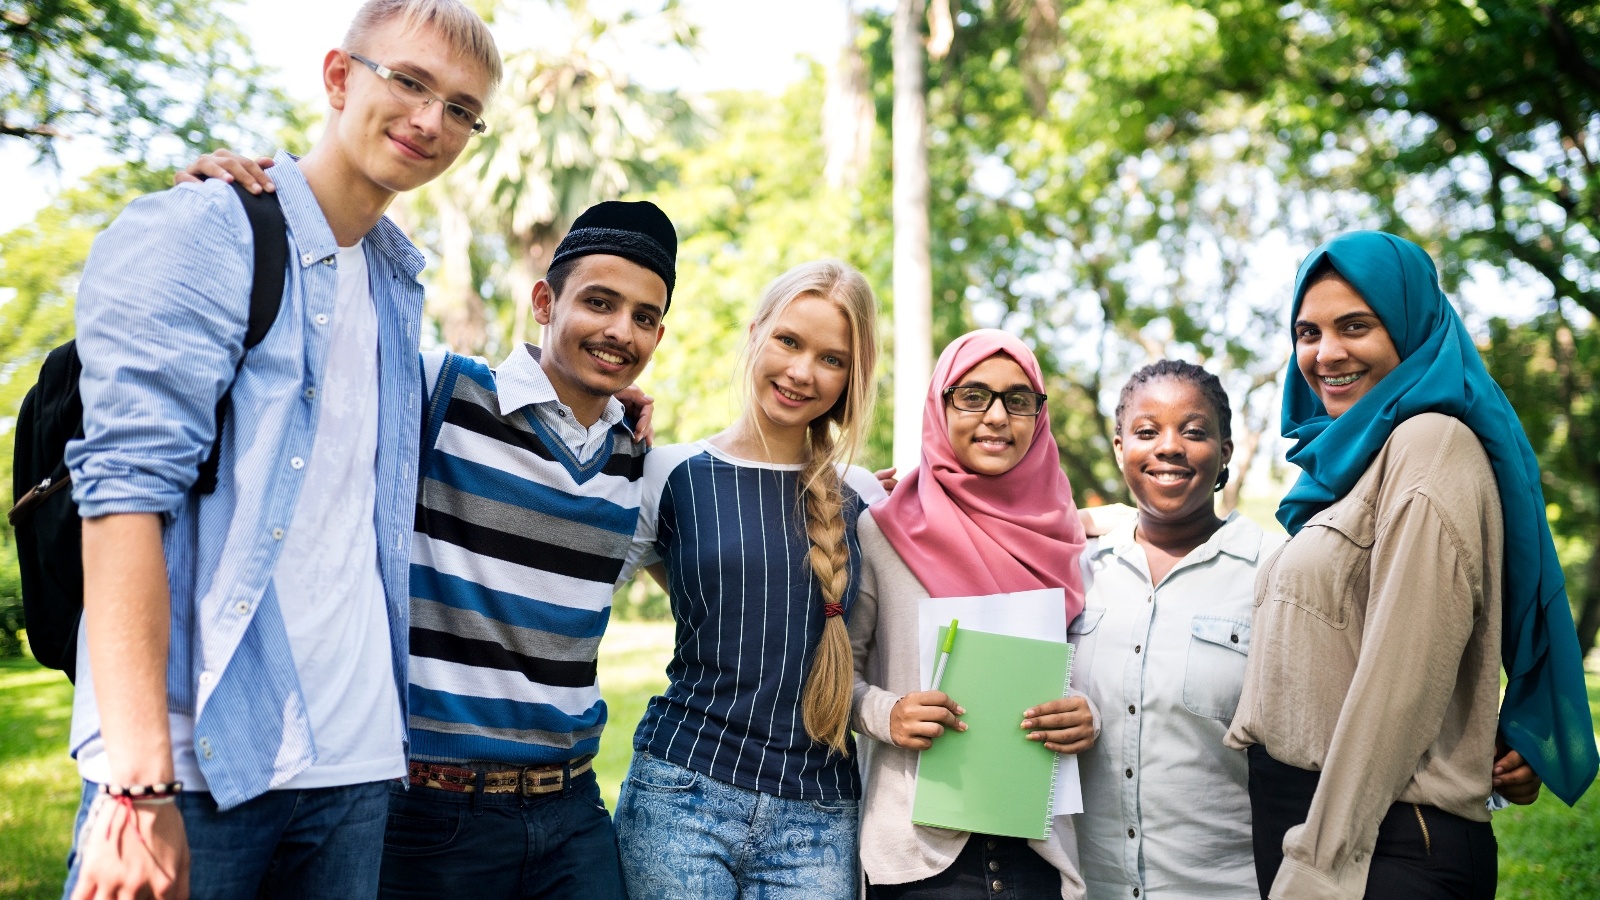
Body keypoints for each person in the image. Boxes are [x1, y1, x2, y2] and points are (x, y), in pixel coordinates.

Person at [62, 2, 502, 899]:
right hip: (195, 761)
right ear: (340, 78)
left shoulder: (394, 281)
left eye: (461, 107)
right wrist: (137, 781)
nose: (431, 121)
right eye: (409, 81)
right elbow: (119, 499)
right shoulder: (209, 229)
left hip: (354, 763)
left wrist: (604, 390)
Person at [1224, 231, 1599, 899]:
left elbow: (1401, 680)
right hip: (1325, 823)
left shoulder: (1430, 443)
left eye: (1356, 326)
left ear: (1411, 327)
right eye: (1307, 332)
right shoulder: (1359, 462)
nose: (1325, 353)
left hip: (1376, 843)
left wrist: (1320, 864)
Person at [613, 259, 884, 899]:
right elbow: (571, 569)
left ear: (852, 378)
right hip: (682, 796)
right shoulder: (669, 474)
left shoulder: (866, 500)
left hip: (819, 816)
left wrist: (1098, 524)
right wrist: (594, 414)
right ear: (757, 333)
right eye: (788, 341)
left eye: (831, 359)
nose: (800, 371)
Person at [848, 328, 1091, 899]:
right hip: (921, 853)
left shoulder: (1070, 538)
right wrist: (890, 713)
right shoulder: (884, 530)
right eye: (973, 395)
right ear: (940, 403)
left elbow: (1092, 672)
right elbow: (838, 674)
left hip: (1038, 848)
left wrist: (1087, 716)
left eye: (1018, 398)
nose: (997, 416)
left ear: (1039, 415)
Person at [1071, 360, 1273, 899]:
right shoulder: (1079, 570)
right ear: (1119, 448)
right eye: (1146, 432)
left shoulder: (1273, 571)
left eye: (1194, 431)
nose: (1169, 447)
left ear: (1225, 451)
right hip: (1091, 887)